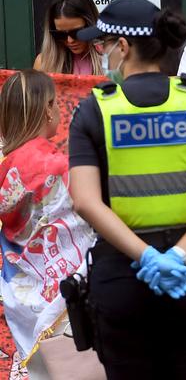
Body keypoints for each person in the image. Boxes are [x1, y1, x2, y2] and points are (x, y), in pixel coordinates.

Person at [68, 0, 186, 379]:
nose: (102, 53)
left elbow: (85, 200)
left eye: (103, 44)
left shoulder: (94, 111)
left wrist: (146, 257)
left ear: (124, 47)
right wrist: (177, 256)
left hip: (121, 278)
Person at [0, 70, 96, 378]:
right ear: (47, 108)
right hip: (68, 291)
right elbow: (88, 217)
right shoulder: (57, 164)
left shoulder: (5, 166)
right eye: (55, 103)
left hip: (25, 292)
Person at [34, 0, 103, 75]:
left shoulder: (112, 60)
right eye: (60, 34)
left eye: (76, 33)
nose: (70, 40)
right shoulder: (44, 64)